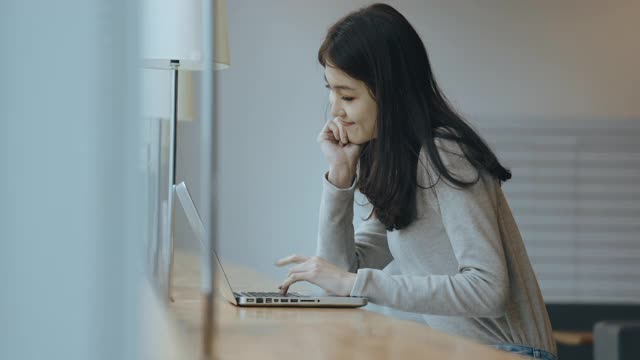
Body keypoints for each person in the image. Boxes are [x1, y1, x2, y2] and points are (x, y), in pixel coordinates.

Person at [274, 3, 557, 359]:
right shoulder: (399, 163)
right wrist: (339, 177)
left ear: (389, 91)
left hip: (510, 352)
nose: (335, 109)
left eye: (347, 96)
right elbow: (343, 273)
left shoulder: (444, 152)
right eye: (331, 91)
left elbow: (488, 289)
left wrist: (353, 283)